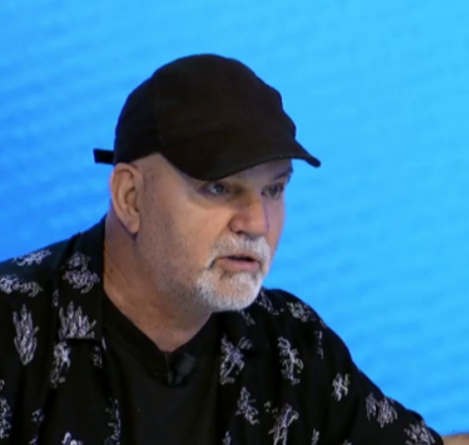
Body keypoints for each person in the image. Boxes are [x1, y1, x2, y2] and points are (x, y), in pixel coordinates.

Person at [0, 54, 465, 445]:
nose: (257, 223)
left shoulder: (291, 346)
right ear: (131, 198)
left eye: (274, 189)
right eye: (219, 188)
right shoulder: (13, 328)